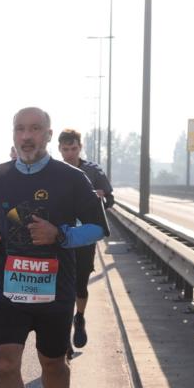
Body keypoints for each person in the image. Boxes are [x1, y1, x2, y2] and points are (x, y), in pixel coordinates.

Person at [0, 108, 109, 388]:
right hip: (9, 289)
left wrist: (62, 235)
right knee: (5, 364)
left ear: (48, 135)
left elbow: (99, 226)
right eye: (20, 129)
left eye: (35, 129)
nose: (27, 136)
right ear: (13, 134)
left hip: (54, 290)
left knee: (53, 363)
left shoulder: (72, 178)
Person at [57, 128, 114, 352]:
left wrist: (102, 198)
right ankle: (63, 336)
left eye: (73, 149)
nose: (69, 153)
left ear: (80, 148)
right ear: (59, 149)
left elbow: (110, 199)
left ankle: (79, 318)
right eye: (65, 149)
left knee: (80, 285)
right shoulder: (54, 171)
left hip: (84, 239)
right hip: (60, 237)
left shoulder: (92, 170)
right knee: (62, 287)